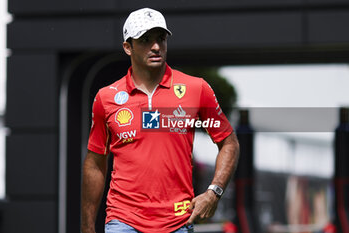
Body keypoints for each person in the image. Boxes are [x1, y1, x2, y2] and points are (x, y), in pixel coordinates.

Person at [81, 7, 240, 233]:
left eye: (161, 38)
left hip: (177, 222)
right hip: (123, 220)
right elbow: (95, 163)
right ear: (128, 47)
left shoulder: (197, 89)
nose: (155, 46)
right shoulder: (106, 98)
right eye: (145, 40)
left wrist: (214, 192)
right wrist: (87, 227)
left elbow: (229, 143)